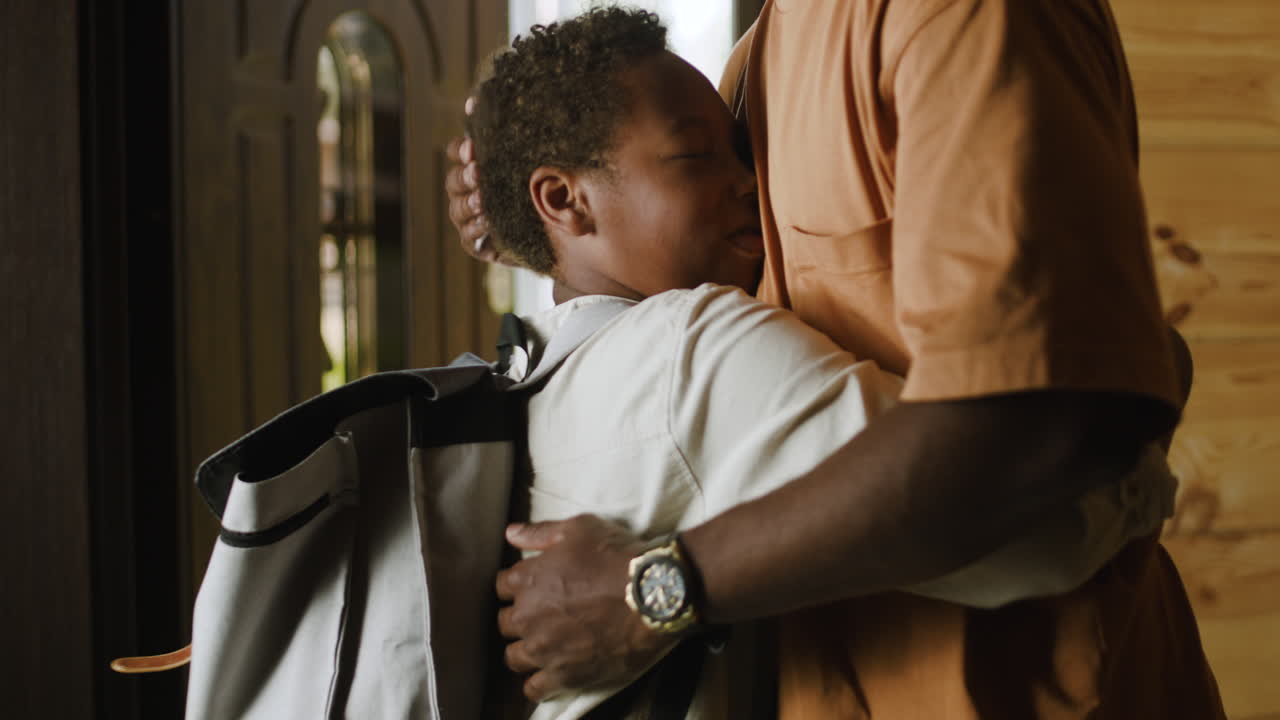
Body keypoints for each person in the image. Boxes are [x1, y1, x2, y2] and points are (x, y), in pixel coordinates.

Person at [449, 1, 1224, 718]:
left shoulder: (956, 18)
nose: (744, 183)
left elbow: (1041, 460)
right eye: (701, 158)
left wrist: (657, 590)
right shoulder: (754, 66)